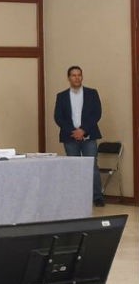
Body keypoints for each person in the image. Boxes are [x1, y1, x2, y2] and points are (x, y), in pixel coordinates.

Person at [53, 65, 104, 206]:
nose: (77, 78)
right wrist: (74, 132)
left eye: (79, 75)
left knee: (92, 166)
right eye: (74, 75)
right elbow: (58, 117)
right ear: (69, 78)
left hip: (89, 136)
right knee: (74, 167)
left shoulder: (92, 93)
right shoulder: (62, 96)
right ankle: (76, 197)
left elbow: (97, 113)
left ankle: (97, 197)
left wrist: (83, 130)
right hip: (70, 137)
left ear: (82, 76)